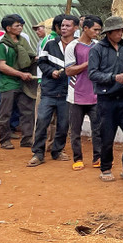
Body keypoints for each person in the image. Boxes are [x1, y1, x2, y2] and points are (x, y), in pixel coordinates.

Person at [88, 15, 123, 182]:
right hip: (106, 99)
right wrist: (114, 77)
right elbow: (92, 73)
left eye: (122, 30)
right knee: (107, 135)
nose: (120, 33)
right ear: (108, 32)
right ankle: (106, 168)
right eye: (117, 30)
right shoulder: (97, 49)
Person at [28, 14, 77, 166]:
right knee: (42, 121)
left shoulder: (77, 46)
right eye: (62, 26)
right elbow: (41, 63)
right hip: (49, 90)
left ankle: (57, 151)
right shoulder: (50, 44)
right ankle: (38, 153)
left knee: (63, 124)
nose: (64, 28)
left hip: (67, 92)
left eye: (68, 26)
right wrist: (51, 72)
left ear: (76, 28)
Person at [0, 14, 36, 150]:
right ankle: (4, 139)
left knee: (27, 111)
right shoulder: (3, 45)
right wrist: (20, 74)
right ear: (8, 28)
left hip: (24, 83)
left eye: (21, 25)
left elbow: (29, 57)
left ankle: (27, 138)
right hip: (8, 83)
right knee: (6, 112)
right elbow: (2, 66)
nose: (20, 27)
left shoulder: (23, 41)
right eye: (17, 25)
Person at [65, 15, 103, 171]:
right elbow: (68, 70)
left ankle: (98, 157)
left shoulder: (99, 45)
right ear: (85, 28)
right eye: (95, 29)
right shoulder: (72, 46)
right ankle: (77, 158)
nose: (97, 32)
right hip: (76, 94)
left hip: (95, 93)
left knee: (98, 129)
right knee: (75, 130)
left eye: (99, 30)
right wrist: (89, 64)